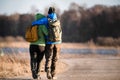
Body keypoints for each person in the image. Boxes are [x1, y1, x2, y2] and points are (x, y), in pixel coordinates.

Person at [32, 7, 62, 79]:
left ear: (48, 12)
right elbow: (60, 31)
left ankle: (48, 71)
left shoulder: (46, 20)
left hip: (49, 42)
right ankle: (53, 75)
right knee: (55, 59)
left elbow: (34, 23)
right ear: (54, 13)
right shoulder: (57, 20)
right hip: (58, 42)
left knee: (48, 58)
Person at [29, 13, 48, 79]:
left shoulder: (32, 25)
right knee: (39, 61)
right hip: (41, 46)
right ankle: (38, 74)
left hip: (32, 45)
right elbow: (47, 34)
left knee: (33, 59)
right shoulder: (42, 26)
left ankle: (33, 73)